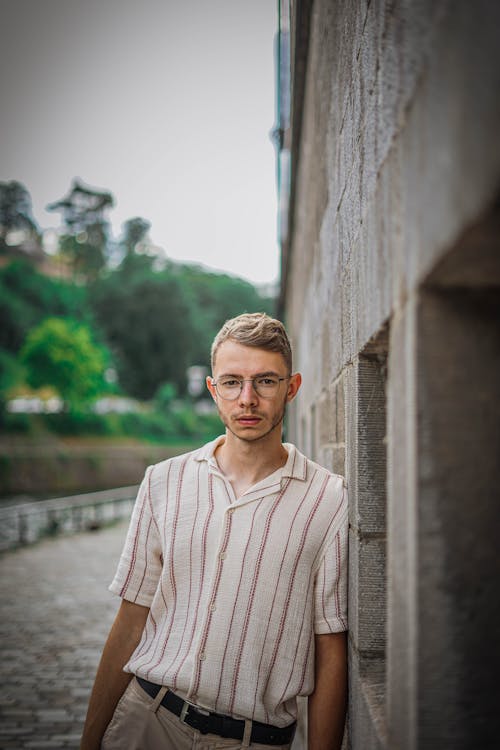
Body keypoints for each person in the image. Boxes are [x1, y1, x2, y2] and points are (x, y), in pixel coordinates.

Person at [80, 312, 348, 750]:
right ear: (213, 389)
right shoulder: (163, 481)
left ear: (292, 388)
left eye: (265, 381)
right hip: (147, 722)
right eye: (231, 382)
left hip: (253, 740)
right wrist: (90, 742)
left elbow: (331, 647)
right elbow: (131, 620)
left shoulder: (329, 499)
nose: (247, 399)